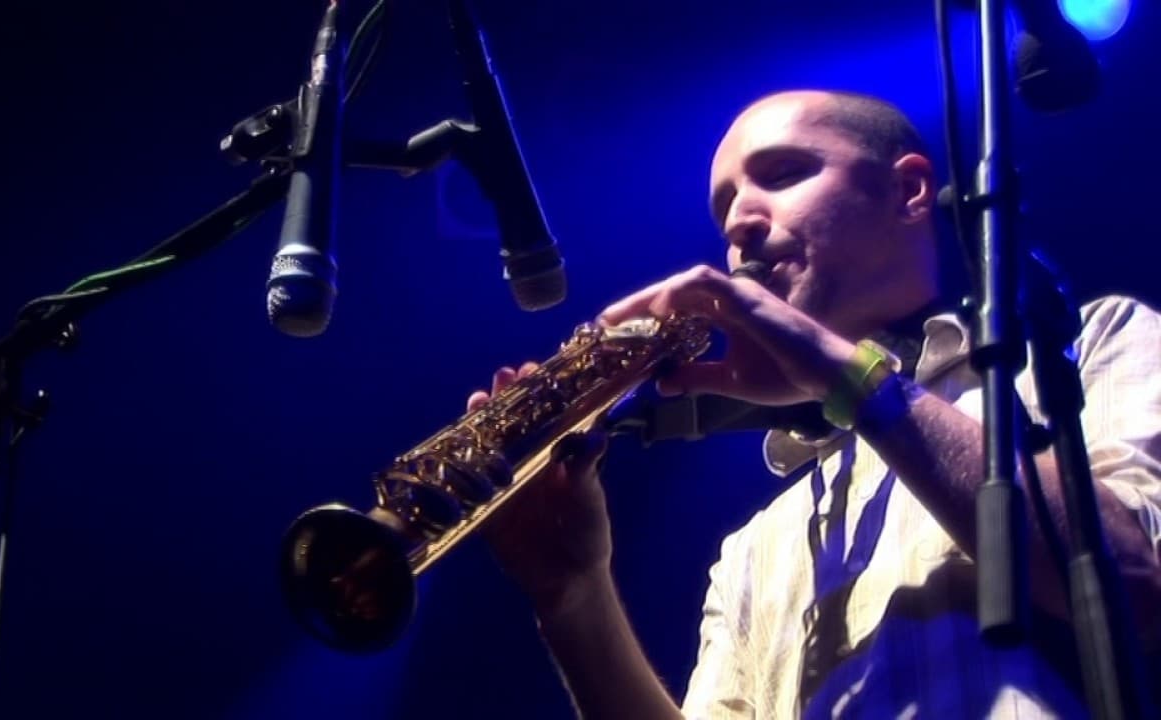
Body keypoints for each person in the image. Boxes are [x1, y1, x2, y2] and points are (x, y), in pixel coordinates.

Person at [465, 89, 1161, 718]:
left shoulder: (1089, 345)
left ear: (909, 190)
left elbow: (1136, 587)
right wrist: (575, 599)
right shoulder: (755, 546)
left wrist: (849, 379)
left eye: (783, 174)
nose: (739, 222)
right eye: (724, 207)